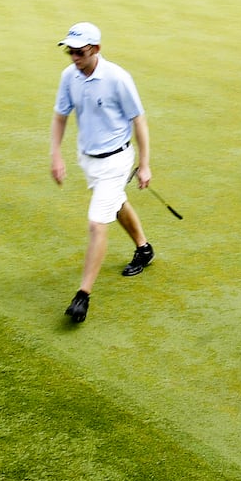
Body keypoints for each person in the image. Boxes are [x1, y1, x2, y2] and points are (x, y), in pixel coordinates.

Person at [49, 21, 154, 323]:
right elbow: (60, 117)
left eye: (80, 52)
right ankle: (144, 249)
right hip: (89, 159)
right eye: (70, 52)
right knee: (115, 203)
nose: (74, 58)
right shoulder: (69, 76)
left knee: (97, 224)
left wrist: (144, 164)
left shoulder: (118, 78)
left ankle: (83, 296)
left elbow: (139, 121)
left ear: (96, 49)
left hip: (117, 160)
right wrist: (56, 154)